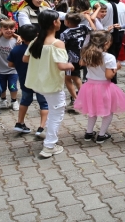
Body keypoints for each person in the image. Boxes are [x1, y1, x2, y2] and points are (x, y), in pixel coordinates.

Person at [24, 10, 74, 157]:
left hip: (39, 83)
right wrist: (71, 65)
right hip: (51, 84)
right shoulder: (57, 43)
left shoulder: (35, 41)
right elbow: (61, 65)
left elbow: (25, 59)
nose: (60, 22)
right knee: (57, 112)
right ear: (54, 22)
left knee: (52, 109)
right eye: (59, 20)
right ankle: (49, 146)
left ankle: (46, 133)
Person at [74, 30, 125, 143]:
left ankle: (88, 133)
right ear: (106, 43)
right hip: (104, 88)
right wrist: (116, 68)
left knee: (92, 110)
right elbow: (108, 75)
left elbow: (81, 63)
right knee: (108, 111)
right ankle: (101, 135)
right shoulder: (109, 57)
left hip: (89, 86)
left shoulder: (87, 53)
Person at [8, 24, 49, 136]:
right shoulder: (41, 48)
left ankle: (19, 123)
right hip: (40, 81)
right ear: (37, 34)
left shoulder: (16, 49)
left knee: (25, 101)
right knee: (44, 104)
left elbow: (10, 64)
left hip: (25, 80)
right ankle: (41, 127)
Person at [60, 13, 91, 110]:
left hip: (71, 59)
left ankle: (77, 99)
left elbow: (62, 48)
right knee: (77, 77)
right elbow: (93, 31)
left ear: (67, 22)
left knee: (68, 78)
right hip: (82, 56)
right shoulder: (84, 27)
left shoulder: (65, 33)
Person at [0, 20, 20, 111]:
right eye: (6, 28)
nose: (9, 30)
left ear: (15, 29)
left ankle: (14, 101)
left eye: (11, 28)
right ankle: (3, 100)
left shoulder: (17, 41)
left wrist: (17, 36)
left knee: (13, 86)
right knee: (2, 87)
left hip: (13, 70)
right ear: (1, 29)